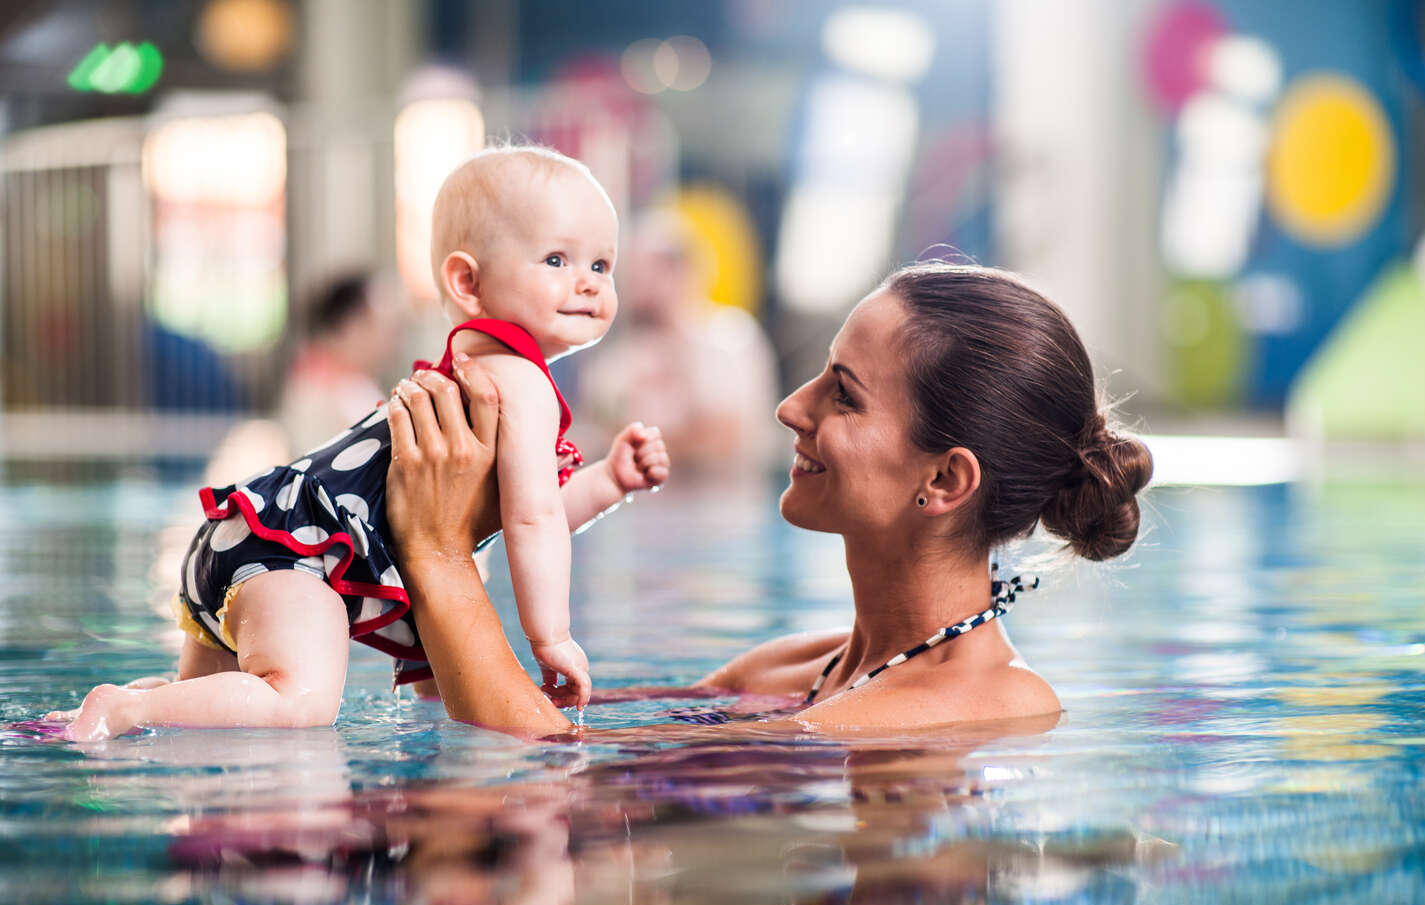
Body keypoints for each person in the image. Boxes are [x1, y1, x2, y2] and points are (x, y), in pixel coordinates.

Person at [50, 146, 670, 742]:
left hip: (251, 533)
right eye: (557, 261)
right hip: (300, 557)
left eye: (602, 265)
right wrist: (551, 636)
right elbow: (530, 519)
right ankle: (126, 706)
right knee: (300, 702)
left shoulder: (470, 364)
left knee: (213, 712)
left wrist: (609, 483)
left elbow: (528, 512)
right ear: (467, 282)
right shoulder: (522, 380)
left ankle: (128, 703)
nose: (588, 284)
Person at [382, 260, 1153, 737]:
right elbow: (572, 727)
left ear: (944, 481)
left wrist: (439, 556)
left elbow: (551, 779)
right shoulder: (794, 668)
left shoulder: (992, 703)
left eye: (842, 396)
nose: (791, 406)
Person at [573, 208, 781, 471]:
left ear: (679, 269)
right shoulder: (623, 354)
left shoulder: (730, 338)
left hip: (719, 498)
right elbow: (597, 426)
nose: (633, 283)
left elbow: (728, 438)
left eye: (645, 270)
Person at [276, 271, 405, 456]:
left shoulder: (354, 381)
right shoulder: (317, 389)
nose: (392, 340)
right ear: (348, 326)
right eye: (383, 326)